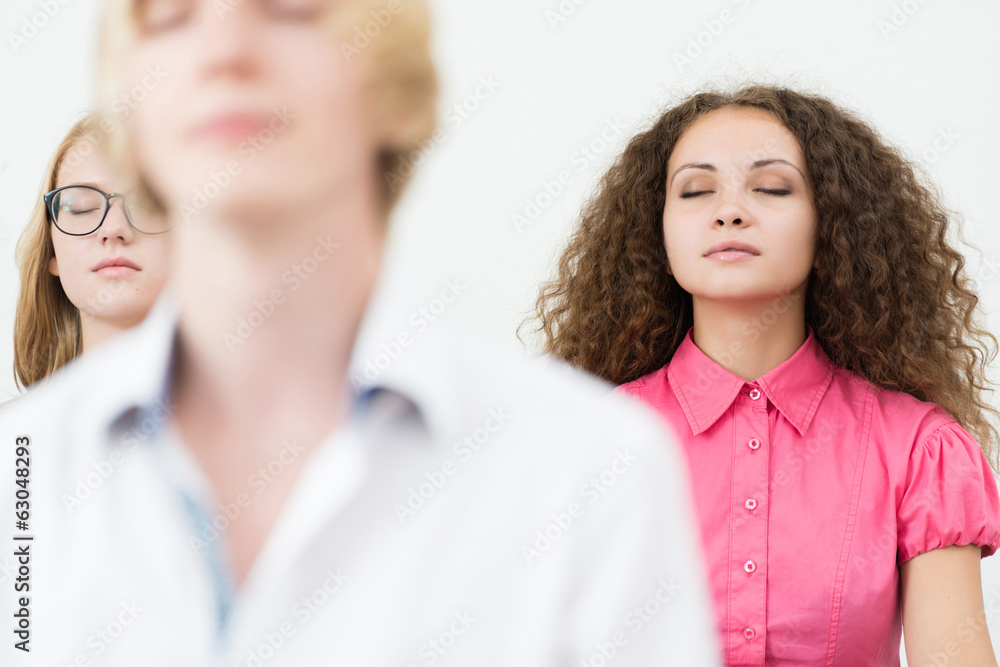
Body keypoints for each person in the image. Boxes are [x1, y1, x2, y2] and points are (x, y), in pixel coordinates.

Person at [0, 1, 721, 665]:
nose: (222, 45)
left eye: (290, 7)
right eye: (169, 15)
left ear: (396, 89)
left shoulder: (590, 470)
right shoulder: (22, 468)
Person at [524, 84, 1000, 665]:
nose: (729, 211)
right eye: (696, 191)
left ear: (833, 227)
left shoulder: (921, 450)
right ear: (658, 234)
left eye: (771, 187)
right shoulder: (584, 441)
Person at [12, 112, 170, 389]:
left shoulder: (261, 425)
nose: (114, 229)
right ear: (52, 253)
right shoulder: (14, 430)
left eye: (145, 202)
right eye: (82, 206)